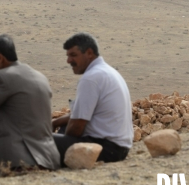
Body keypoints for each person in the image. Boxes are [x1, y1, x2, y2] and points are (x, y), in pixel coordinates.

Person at [0, 34, 60, 170]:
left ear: (0, 58)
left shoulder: (3, 77)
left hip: (17, 160)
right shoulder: (38, 75)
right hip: (49, 159)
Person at [52, 32, 133, 165]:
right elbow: (83, 114)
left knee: (38, 140)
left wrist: (60, 140)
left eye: (73, 55)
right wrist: (55, 123)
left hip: (106, 149)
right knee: (60, 130)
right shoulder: (106, 71)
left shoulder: (91, 78)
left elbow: (76, 128)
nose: (68, 61)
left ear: (89, 53)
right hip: (119, 148)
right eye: (68, 56)